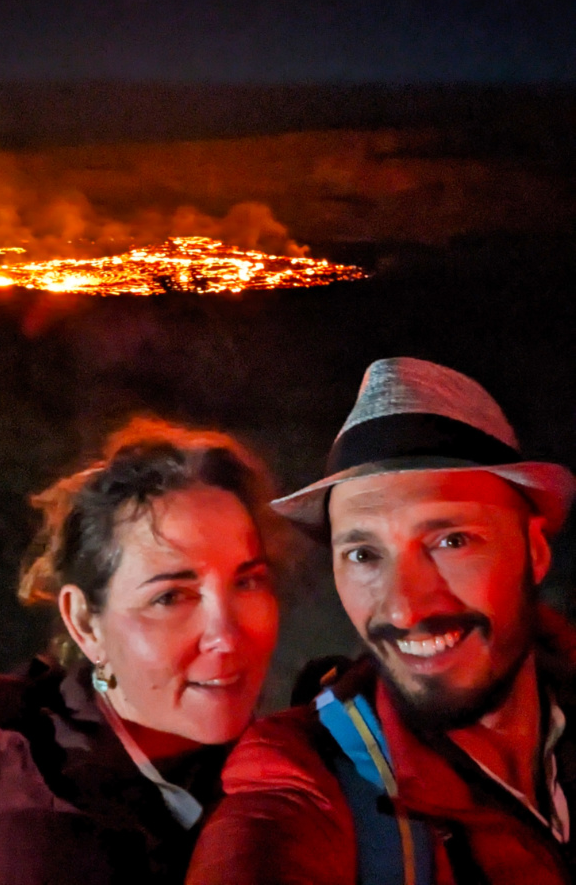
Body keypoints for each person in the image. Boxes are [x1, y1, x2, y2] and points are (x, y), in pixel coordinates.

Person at [186, 357, 576, 885]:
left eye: (451, 541)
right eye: (365, 554)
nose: (405, 609)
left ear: (533, 550)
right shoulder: (304, 774)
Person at [0, 417, 281, 884]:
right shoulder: (37, 857)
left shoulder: (252, 765)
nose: (228, 634)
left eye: (247, 581)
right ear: (84, 624)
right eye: (170, 597)